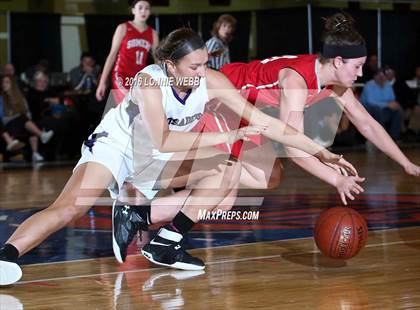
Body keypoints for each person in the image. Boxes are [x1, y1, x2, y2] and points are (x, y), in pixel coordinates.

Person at [0, 27, 354, 285]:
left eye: (204, 65)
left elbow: (268, 124)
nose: (202, 74)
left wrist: (324, 153)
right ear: (170, 65)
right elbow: (165, 140)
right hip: (119, 146)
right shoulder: (149, 82)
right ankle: (6, 257)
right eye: (193, 67)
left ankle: (167, 241)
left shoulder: (210, 80)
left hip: (155, 157)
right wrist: (228, 135)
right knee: (70, 208)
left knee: (228, 172)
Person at [198, 12, 419, 204]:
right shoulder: (297, 82)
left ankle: (200, 171)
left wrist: (406, 163)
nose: (361, 74)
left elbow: (367, 124)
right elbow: (293, 149)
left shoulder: (333, 82)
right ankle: (193, 167)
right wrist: (336, 180)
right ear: (339, 62)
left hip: (247, 111)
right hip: (222, 99)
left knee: (270, 177)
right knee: (220, 202)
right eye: (358, 66)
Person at [96, 0, 159, 104]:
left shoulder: (153, 33)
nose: (143, 11)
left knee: (140, 111)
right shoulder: (123, 28)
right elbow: (112, 55)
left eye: (147, 8)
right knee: (130, 104)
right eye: (140, 8)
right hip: (121, 74)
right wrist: (102, 82)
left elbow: (157, 60)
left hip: (139, 77)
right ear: (133, 10)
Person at [1, 75, 53, 161]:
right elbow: (3, 118)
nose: (4, 84)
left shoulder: (19, 97)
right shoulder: (1, 98)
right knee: (23, 119)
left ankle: (35, 153)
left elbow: (27, 111)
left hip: (20, 124)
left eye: (7, 82)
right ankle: (41, 135)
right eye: (3, 82)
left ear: (12, 84)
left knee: (28, 124)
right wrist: (18, 116)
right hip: (7, 125)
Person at [360, 68, 402, 141]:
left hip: (384, 109)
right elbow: (371, 102)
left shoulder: (388, 84)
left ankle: (394, 137)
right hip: (367, 110)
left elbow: (392, 99)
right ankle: (382, 137)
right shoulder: (369, 85)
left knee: (398, 109)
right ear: (374, 77)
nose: (381, 78)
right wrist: (387, 105)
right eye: (379, 76)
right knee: (376, 109)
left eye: (383, 76)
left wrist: (394, 104)